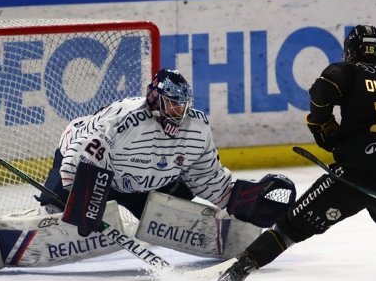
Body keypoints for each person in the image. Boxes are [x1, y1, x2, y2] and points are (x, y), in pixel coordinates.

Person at [217, 25, 376, 281]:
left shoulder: (348, 70)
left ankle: (237, 273)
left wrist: (322, 125)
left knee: (289, 227)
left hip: (357, 175)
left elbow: (322, 90)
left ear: (350, 50)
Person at [38, 68, 234, 220]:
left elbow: (206, 176)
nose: (179, 112)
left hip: (139, 185)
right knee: (58, 207)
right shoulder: (126, 118)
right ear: (156, 99)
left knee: (182, 194)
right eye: (173, 104)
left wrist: (236, 199)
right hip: (89, 167)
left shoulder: (196, 127)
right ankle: (51, 214)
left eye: (182, 106)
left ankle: (145, 216)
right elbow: (84, 151)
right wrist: (80, 197)